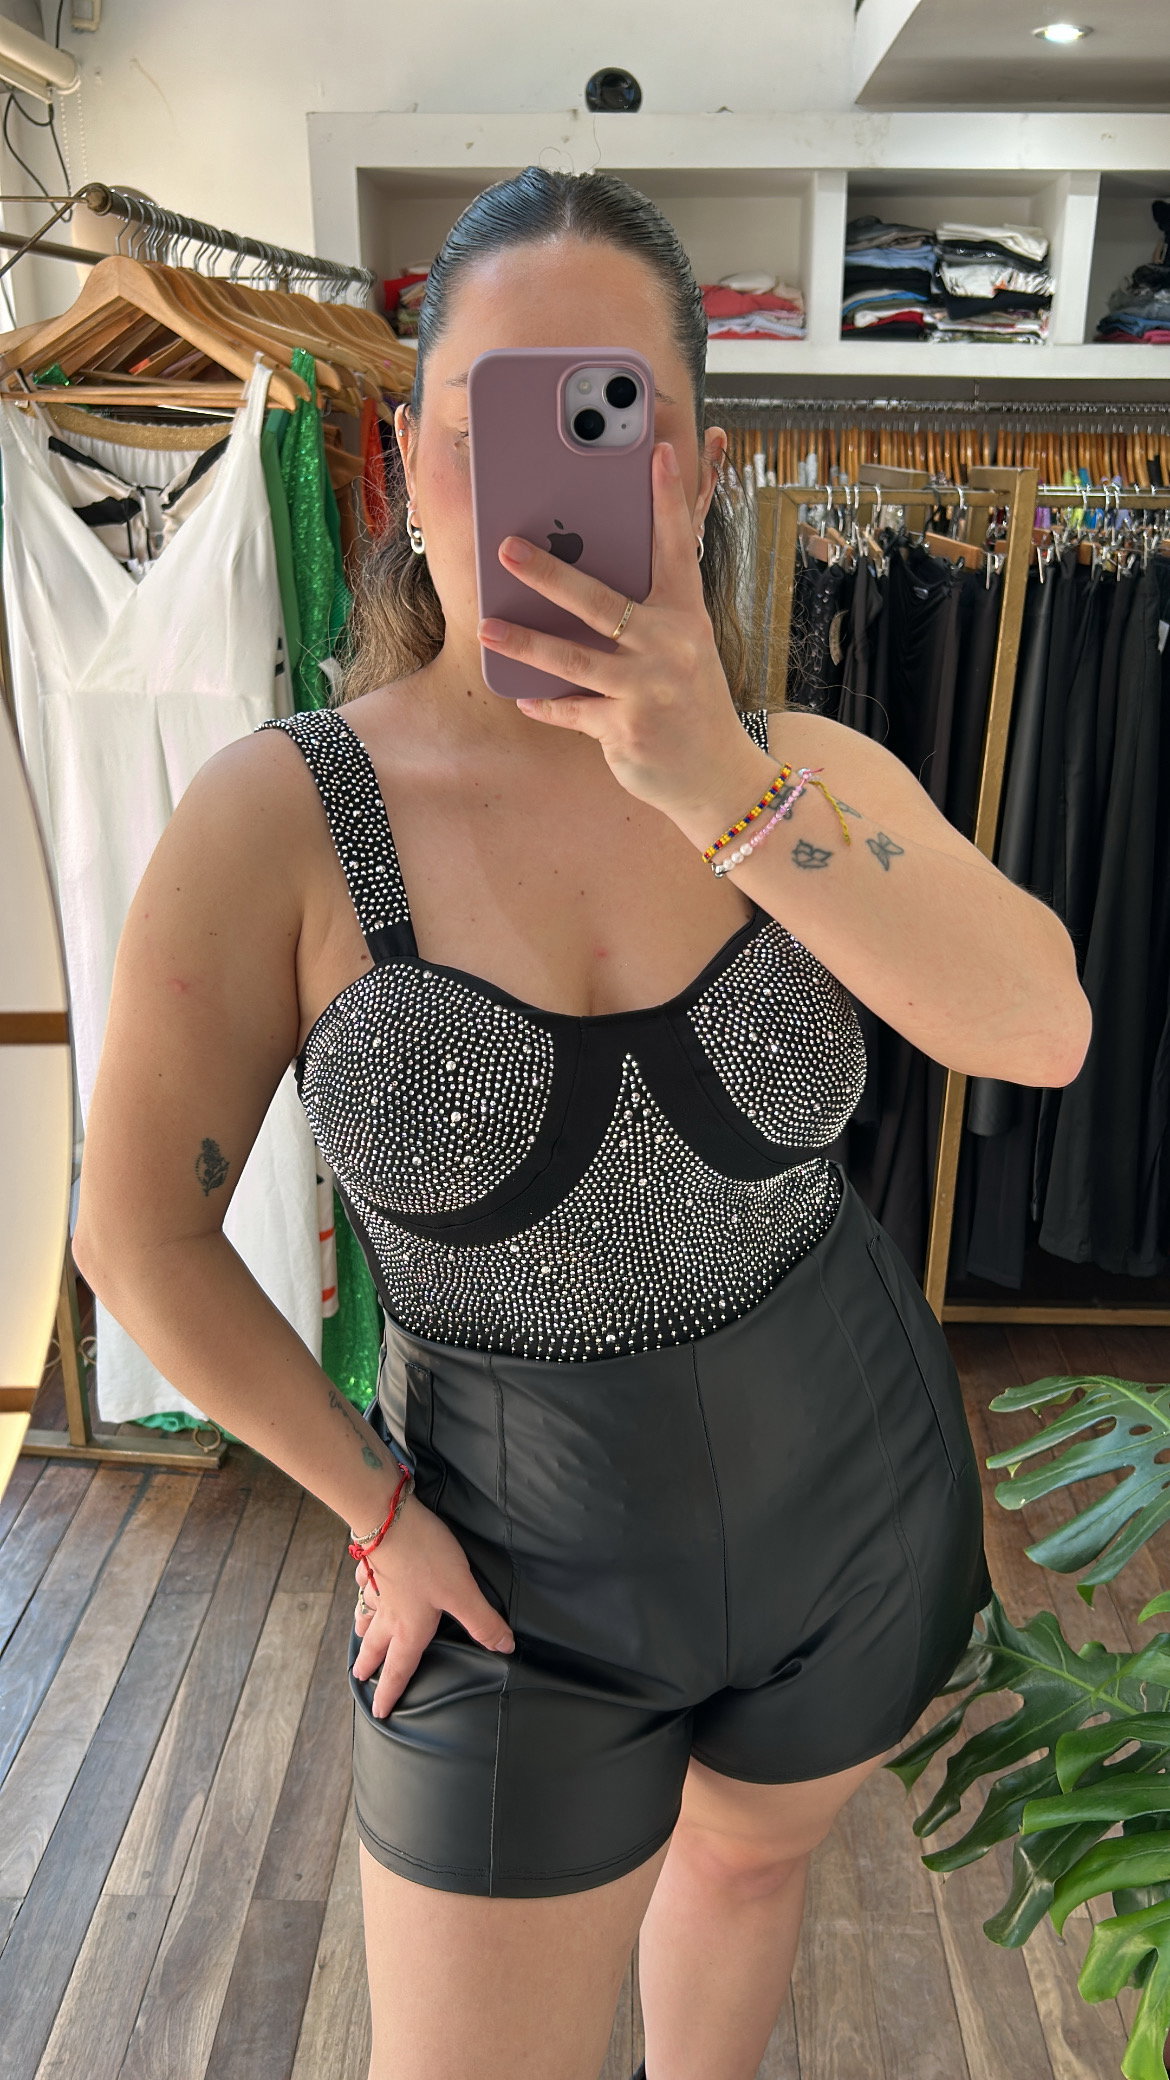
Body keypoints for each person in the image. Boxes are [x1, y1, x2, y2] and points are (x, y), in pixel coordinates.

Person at [74, 166, 1091, 2080]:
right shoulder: (280, 817)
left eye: (610, 417)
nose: (543, 479)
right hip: (500, 1562)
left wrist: (715, 788)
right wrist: (371, 1507)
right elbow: (136, 1234)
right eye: (491, 421)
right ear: (408, 467)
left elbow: (1038, 1031)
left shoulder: (805, 774)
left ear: (686, 474)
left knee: (750, 1873)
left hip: (853, 1496)